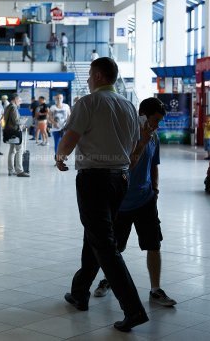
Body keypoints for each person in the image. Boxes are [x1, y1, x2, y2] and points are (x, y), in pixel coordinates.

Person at [55, 57, 148, 332]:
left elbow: (70, 137)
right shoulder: (129, 106)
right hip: (120, 178)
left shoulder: (88, 102)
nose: (87, 80)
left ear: (96, 75)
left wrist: (60, 156)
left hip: (94, 178)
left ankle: (133, 309)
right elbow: (134, 144)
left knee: (104, 244)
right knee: (94, 235)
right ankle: (80, 292)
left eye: (88, 76)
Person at [92, 97, 177, 308]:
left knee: (153, 244)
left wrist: (155, 189)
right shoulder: (125, 135)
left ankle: (155, 290)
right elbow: (125, 166)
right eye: (155, 119)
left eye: (159, 121)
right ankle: (108, 280)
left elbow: (153, 165)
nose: (157, 125)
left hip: (146, 199)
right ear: (142, 116)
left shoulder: (154, 137)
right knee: (115, 247)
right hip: (121, 201)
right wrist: (142, 141)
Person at [4, 94, 29, 177]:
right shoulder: (14, 108)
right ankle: (19, 171)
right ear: (15, 99)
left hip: (9, 131)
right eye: (19, 100)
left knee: (12, 151)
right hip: (15, 132)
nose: (20, 102)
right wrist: (24, 121)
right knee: (19, 150)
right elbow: (16, 121)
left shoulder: (7, 107)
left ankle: (11, 170)